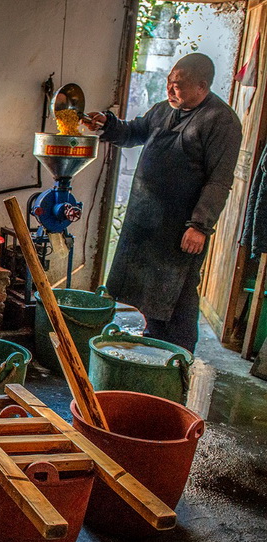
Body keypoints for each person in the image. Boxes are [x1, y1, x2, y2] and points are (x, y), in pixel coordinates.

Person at [83, 53, 242, 352]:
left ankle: (177, 357)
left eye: (177, 85)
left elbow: (219, 180)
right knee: (148, 291)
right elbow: (134, 132)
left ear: (202, 86)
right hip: (145, 219)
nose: (169, 89)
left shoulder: (220, 121)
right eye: (169, 82)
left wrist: (199, 226)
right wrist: (108, 125)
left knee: (177, 296)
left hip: (180, 226)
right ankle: (153, 343)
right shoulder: (162, 110)